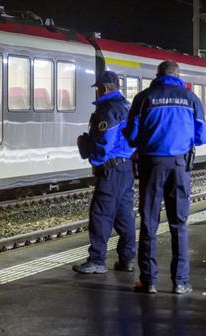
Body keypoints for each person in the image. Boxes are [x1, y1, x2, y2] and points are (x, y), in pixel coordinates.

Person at [123, 60, 206, 295]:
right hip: (180, 166)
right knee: (179, 224)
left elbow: (131, 136)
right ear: (177, 75)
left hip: (151, 165)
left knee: (150, 222)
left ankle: (148, 281)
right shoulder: (190, 98)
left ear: (157, 75)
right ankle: (181, 282)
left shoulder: (144, 98)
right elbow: (203, 137)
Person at [73, 71, 136, 274]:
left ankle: (97, 260)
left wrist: (94, 158)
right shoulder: (127, 106)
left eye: (98, 88)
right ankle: (126, 259)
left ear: (105, 88)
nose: (97, 92)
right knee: (123, 214)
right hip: (126, 168)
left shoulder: (109, 109)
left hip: (111, 169)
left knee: (100, 214)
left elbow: (105, 142)